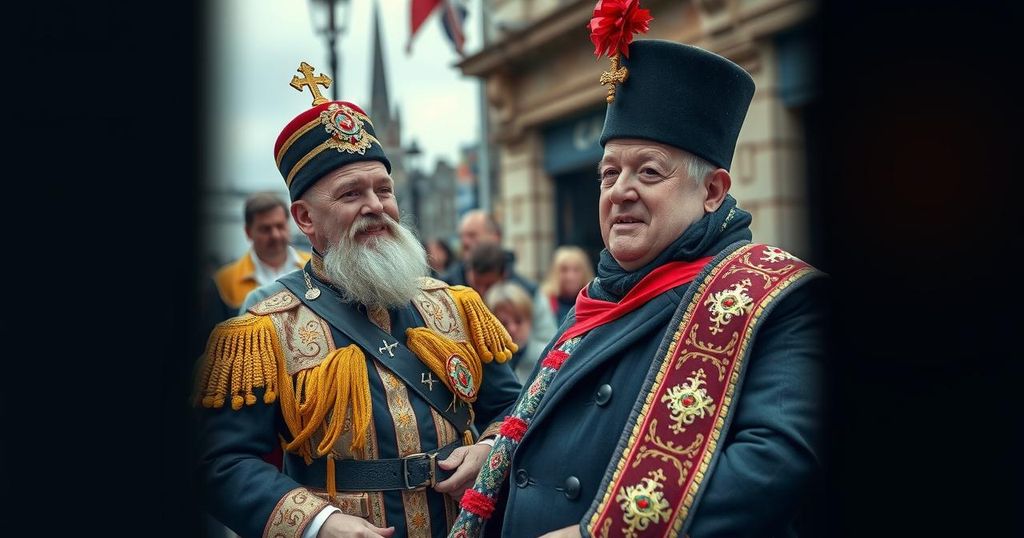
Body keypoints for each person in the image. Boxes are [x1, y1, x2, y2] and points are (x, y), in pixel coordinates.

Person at [449, 9, 827, 538]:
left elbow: (775, 462)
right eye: (609, 172)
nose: (620, 189)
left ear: (712, 191)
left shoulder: (772, 295)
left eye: (648, 171)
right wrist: (495, 451)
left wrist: (600, 534)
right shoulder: (597, 298)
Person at [193, 63, 522, 538]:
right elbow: (220, 461)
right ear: (305, 218)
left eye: (383, 189)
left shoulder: (454, 305)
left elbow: (512, 408)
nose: (375, 206)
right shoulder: (262, 329)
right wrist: (318, 524)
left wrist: (491, 449)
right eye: (351, 193)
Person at [466, 241, 558, 359]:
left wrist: (520, 350)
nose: (481, 292)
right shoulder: (458, 290)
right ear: (469, 272)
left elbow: (549, 342)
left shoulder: (530, 293)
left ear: (503, 275)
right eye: (477, 284)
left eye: (488, 285)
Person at [442, 210, 535, 298]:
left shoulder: (527, 292)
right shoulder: (445, 287)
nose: (464, 242)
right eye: (461, 236)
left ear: (495, 237)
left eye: (472, 235)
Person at [484, 282, 540, 383]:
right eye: (503, 323)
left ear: (530, 320)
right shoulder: (485, 365)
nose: (512, 329)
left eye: (518, 321)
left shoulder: (546, 359)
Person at [539, 246, 595, 326]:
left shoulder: (593, 301)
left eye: (576, 270)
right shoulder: (544, 301)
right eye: (564, 270)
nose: (570, 276)